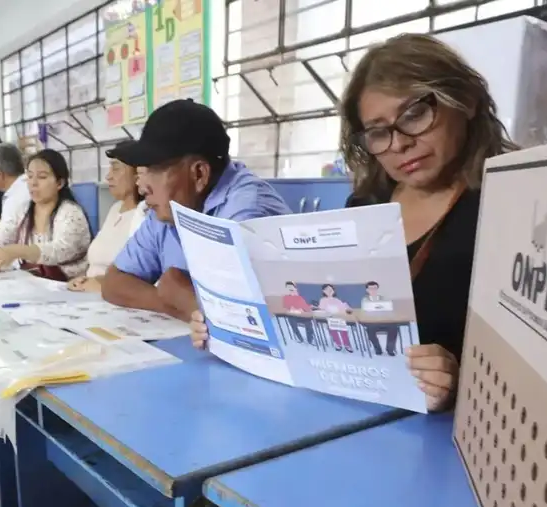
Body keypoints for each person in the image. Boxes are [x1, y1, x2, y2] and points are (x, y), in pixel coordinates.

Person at [192, 33, 517, 411]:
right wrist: (230, 327)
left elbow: (536, 363)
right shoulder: (366, 205)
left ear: (466, 101)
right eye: (378, 131)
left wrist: (461, 379)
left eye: (414, 114)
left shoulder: (506, 204)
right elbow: (318, 313)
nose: (398, 144)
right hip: (351, 412)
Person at [102, 99, 290, 321]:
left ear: (199, 174)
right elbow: (114, 282)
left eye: (153, 170)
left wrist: (184, 298)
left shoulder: (246, 213)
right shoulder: (167, 208)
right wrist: (174, 303)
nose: (141, 187)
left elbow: (246, 319)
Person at [0, 149, 91, 279]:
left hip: (68, 288)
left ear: (59, 183)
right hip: (35, 283)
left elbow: (61, 250)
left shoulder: (70, 212)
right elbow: (0, 242)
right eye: (30, 176)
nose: (33, 183)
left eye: (42, 177)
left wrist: (18, 250)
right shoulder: (23, 210)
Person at [67, 141, 147, 293]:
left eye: (116, 169)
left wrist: (102, 283)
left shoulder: (144, 216)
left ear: (138, 173)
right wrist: (83, 279)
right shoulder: (115, 209)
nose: (108, 176)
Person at [316, 283, 353, 352]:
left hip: (340, 318)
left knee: (343, 330)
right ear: (323, 291)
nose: (329, 291)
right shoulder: (322, 300)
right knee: (332, 329)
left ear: (333, 290)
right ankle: (338, 343)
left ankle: (347, 344)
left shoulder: (337, 300)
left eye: (330, 289)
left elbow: (344, 308)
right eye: (326, 290)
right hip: (329, 319)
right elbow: (321, 310)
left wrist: (347, 309)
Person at [281, 281, 316, 346]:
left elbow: (306, 307)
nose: (291, 290)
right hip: (293, 316)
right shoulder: (286, 297)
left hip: (302, 315)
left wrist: (307, 308)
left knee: (308, 322)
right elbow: (286, 307)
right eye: (289, 288)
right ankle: (300, 338)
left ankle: (310, 339)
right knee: (291, 320)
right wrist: (292, 309)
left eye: (292, 288)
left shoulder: (300, 297)